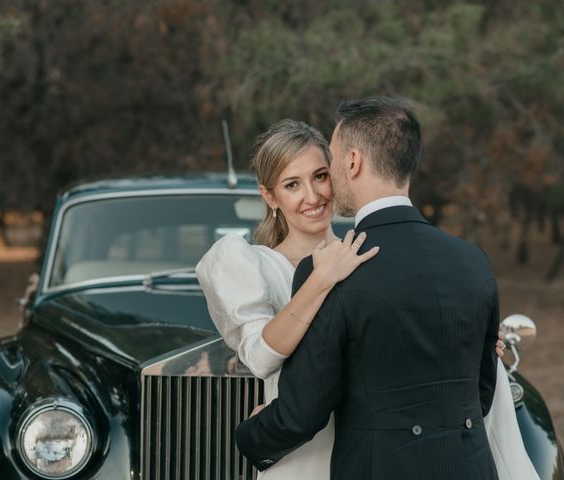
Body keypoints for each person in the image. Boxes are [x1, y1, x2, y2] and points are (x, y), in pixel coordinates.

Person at [233, 97, 539, 479]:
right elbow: (480, 391)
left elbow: (302, 413)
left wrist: (249, 437)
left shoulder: (331, 269)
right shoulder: (473, 261)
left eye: (332, 156)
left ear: (353, 162)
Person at [196, 119, 379, 478]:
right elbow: (261, 358)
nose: (312, 197)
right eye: (292, 184)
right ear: (270, 196)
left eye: (320, 176)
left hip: (365, 448)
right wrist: (320, 278)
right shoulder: (254, 265)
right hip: (298, 457)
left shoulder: (362, 251)